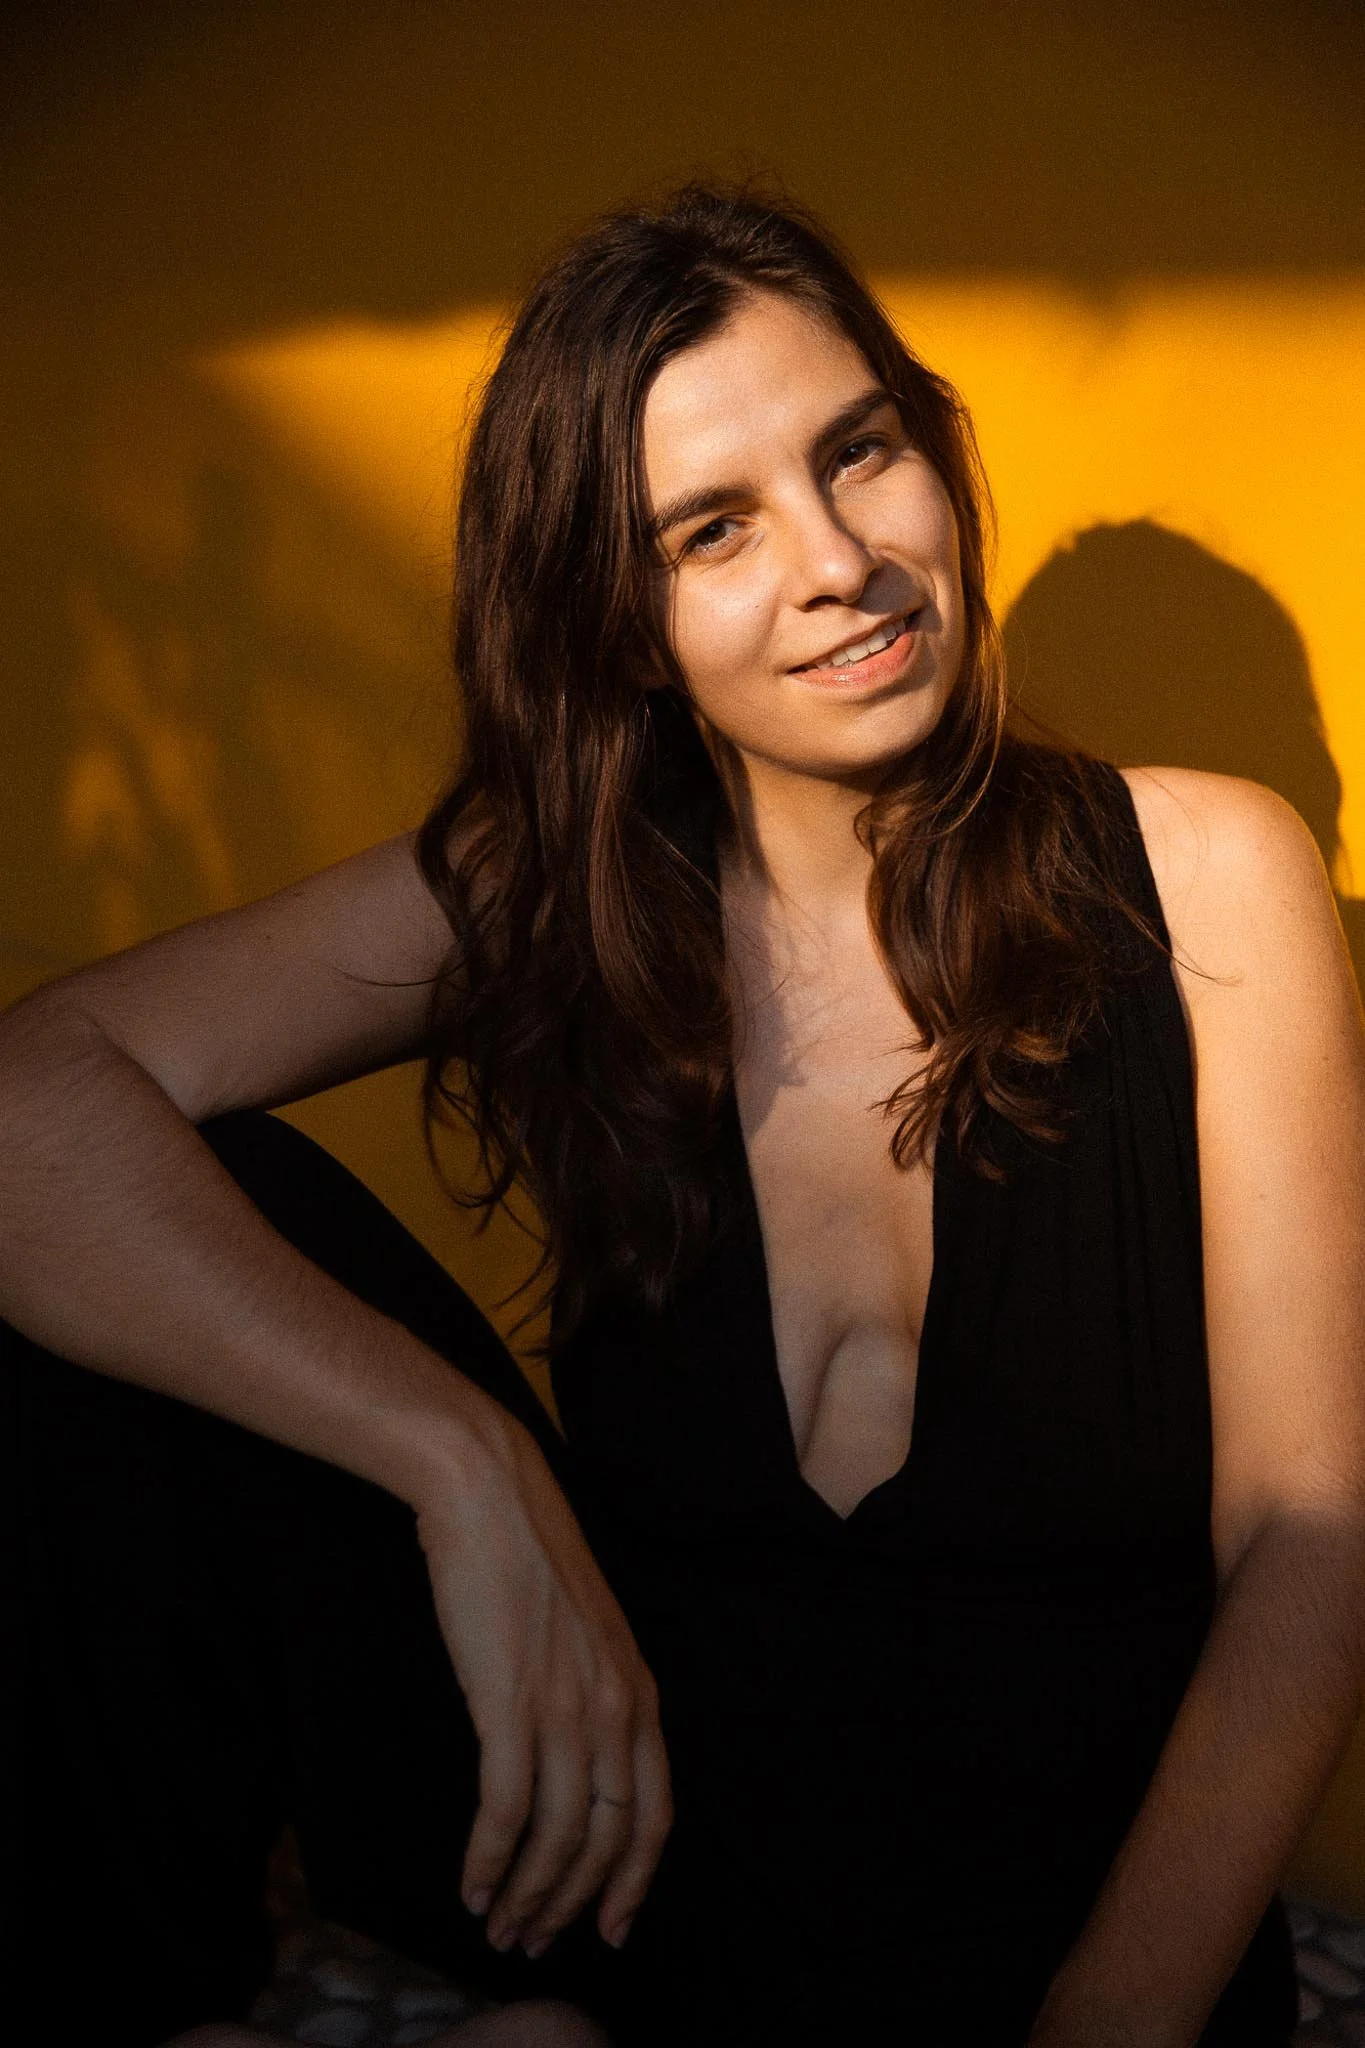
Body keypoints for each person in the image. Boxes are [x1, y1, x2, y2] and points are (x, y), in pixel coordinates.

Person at [5, 184, 1365, 2048]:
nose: (838, 563)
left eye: (858, 453)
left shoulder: (1211, 875)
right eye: (713, 530)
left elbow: (1312, 1534)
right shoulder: (553, 891)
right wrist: (460, 1471)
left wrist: (1110, 2022)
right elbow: (25, 1106)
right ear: (627, 630)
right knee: (160, 1219)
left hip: (1061, 1928)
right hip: (648, 1885)